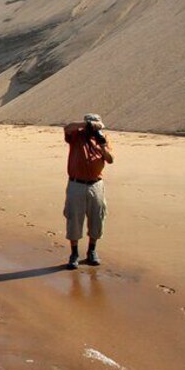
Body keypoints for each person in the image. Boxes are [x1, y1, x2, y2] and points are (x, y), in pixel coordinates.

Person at [63, 114, 114, 269]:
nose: (93, 129)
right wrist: (86, 125)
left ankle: (92, 251)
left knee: (97, 218)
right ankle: (74, 253)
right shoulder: (76, 136)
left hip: (96, 185)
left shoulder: (103, 138)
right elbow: (67, 127)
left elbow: (110, 159)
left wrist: (102, 145)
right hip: (76, 184)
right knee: (74, 219)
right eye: (91, 125)